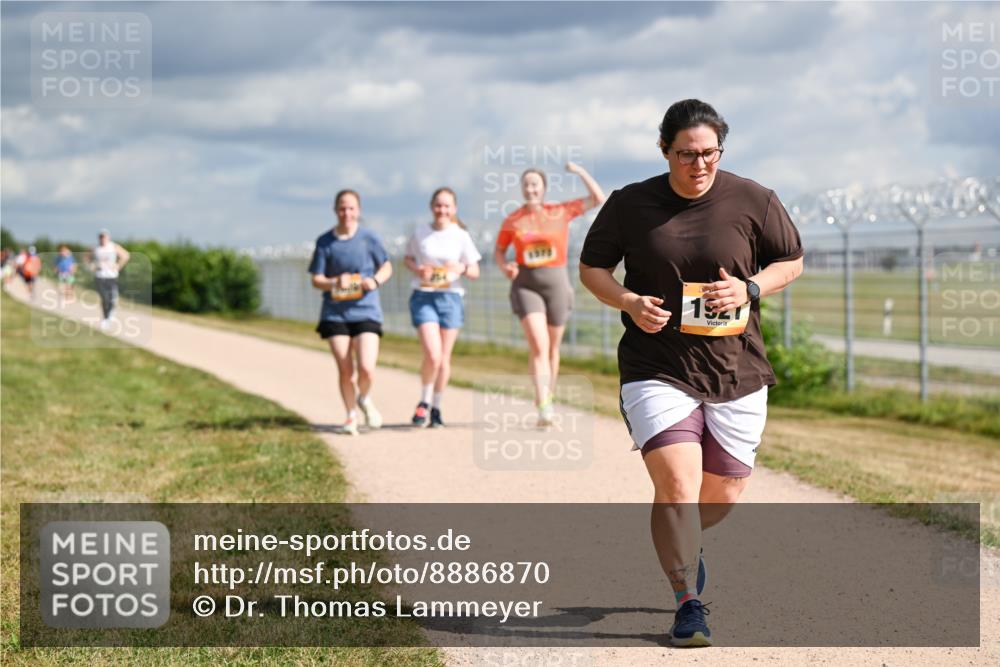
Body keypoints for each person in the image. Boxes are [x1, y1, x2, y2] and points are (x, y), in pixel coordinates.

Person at [579, 99, 804, 647]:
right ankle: (688, 604)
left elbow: (791, 261)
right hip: (656, 365)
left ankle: (683, 544)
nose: (699, 164)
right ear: (665, 151)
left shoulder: (754, 199)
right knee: (677, 485)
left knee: (722, 493)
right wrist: (629, 301)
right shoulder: (630, 204)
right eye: (687, 154)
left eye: (709, 153)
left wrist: (749, 288)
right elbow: (591, 269)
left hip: (736, 369)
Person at [493, 162, 605, 425]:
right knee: (539, 345)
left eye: (535, 184)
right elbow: (499, 251)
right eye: (526, 185)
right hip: (525, 284)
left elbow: (598, 198)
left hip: (557, 285)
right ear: (522, 189)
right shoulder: (513, 219)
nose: (530, 189)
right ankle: (543, 403)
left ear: (543, 188)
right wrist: (504, 266)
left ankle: (548, 399)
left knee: (553, 348)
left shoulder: (560, 211)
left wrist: (580, 172)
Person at [308, 189, 393, 436]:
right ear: (336, 211)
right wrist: (335, 282)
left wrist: (374, 281)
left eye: (351, 208)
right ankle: (350, 416)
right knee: (346, 368)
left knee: (366, 367)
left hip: (366, 310)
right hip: (335, 313)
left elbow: (387, 266)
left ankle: (364, 398)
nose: (347, 213)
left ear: (359, 210)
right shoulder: (325, 242)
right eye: (342, 208)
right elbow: (316, 279)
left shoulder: (369, 238)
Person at [404, 187, 482, 427]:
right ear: (431, 207)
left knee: (444, 358)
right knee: (433, 355)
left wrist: (460, 268)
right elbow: (407, 258)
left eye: (447, 205)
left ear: (454, 209)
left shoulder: (461, 235)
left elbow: (474, 271)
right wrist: (418, 269)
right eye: (438, 205)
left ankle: (436, 408)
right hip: (424, 295)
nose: (442, 210)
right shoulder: (420, 233)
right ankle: (424, 401)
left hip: (451, 298)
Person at [90, 230, 130, 330]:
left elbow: (126, 256)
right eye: (100, 237)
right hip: (99, 276)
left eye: (104, 237)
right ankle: (105, 318)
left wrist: (118, 266)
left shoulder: (113, 246)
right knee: (104, 298)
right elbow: (86, 257)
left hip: (111, 276)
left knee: (112, 298)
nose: (102, 239)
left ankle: (110, 311)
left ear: (108, 237)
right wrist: (92, 266)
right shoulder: (96, 248)